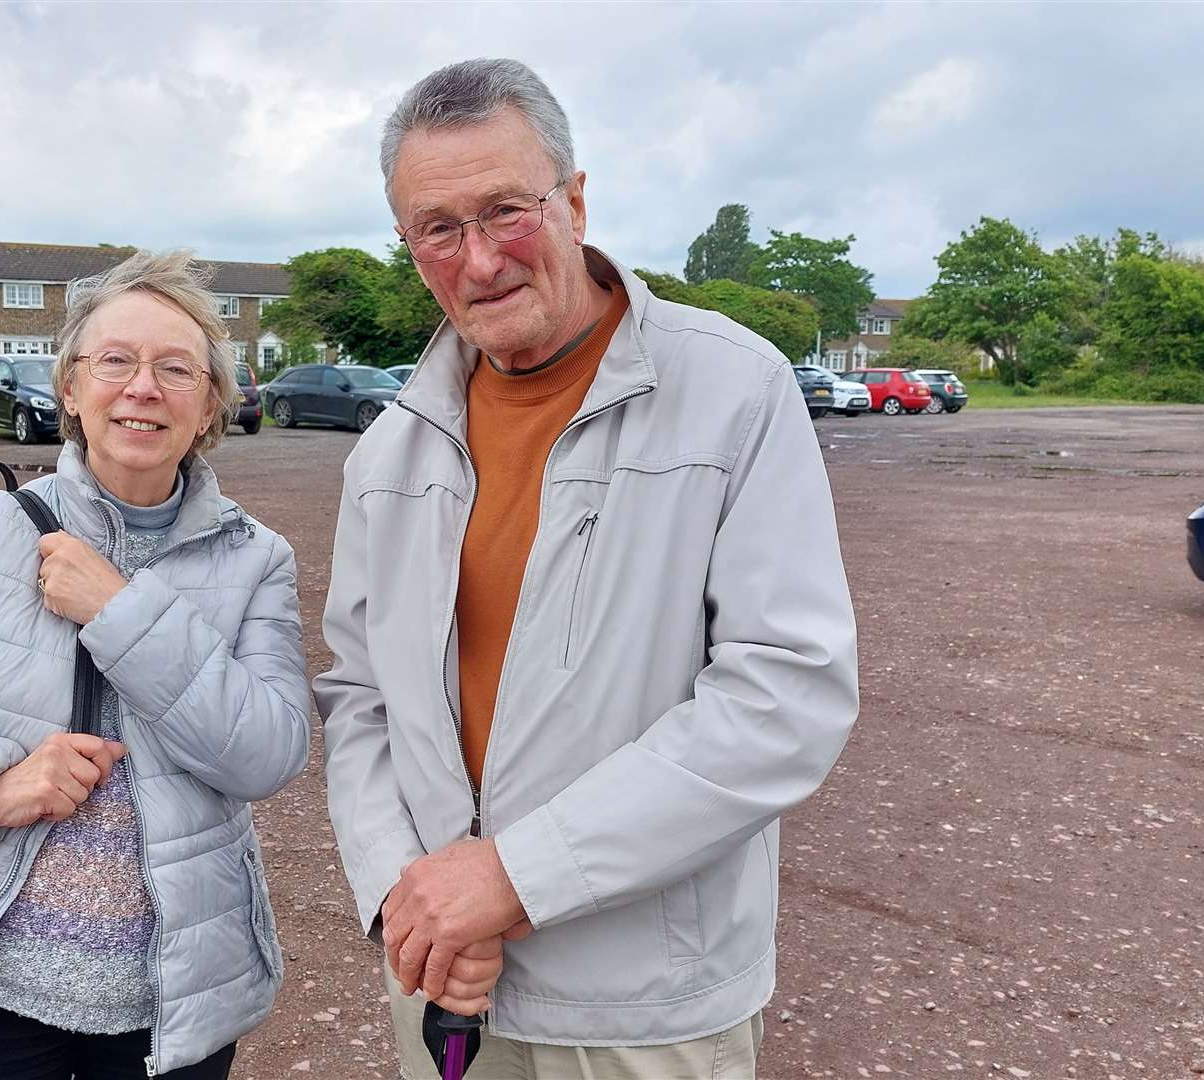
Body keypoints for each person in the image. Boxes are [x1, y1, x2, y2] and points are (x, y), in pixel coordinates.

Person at [316, 59, 859, 1079]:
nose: (477, 262)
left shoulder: (732, 392)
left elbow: (786, 694)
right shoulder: (387, 453)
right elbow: (359, 698)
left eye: (505, 212)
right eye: (438, 229)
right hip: (447, 987)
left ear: (573, 200)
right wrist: (407, 897)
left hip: (644, 1016)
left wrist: (515, 877)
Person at [0, 250, 310, 1080]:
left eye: (176, 369)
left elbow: (266, 754)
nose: (142, 387)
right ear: (70, 390)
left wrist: (120, 611)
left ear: (210, 409)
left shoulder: (257, 557)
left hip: (170, 1013)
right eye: (114, 361)